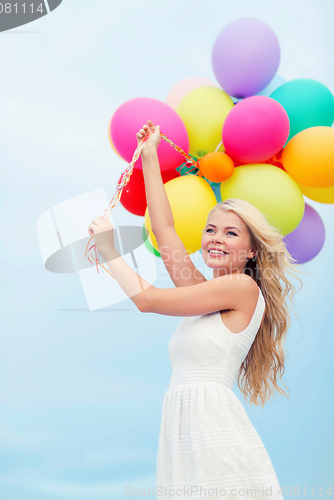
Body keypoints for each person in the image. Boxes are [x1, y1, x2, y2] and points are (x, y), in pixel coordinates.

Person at [88, 120, 305, 500]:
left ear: (252, 250)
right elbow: (165, 229)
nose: (216, 239)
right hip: (183, 433)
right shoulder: (205, 294)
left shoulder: (242, 288)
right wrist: (152, 155)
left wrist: (109, 251)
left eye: (231, 233)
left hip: (214, 432)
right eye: (210, 230)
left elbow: (148, 300)